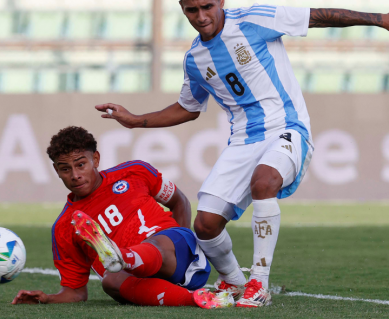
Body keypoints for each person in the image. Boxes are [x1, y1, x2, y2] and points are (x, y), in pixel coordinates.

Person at [95, 0, 389, 308]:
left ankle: (259, 282)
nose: (201, 16)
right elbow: (189, 108)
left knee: (264, 182)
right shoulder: (195, 59)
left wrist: (380, 19)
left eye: (208, 6)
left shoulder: (255, 19)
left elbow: (317, 17)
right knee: (205, 225)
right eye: (192, 10)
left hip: (288, 127)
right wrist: (136, 121)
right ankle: (235, 282)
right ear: (182, 9)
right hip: (243, 141)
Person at [12, 126, 233, 309]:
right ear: (56, 171)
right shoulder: (64, 226)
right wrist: (47, 298)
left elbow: (180, 201)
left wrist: (182, 241)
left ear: (95, 159)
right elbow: (76, 292)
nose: (75, 175)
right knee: (111, 281)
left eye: (80, 164)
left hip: (179, 252)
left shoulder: (134, 171)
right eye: (65, 169)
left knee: (153, 245)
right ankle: (196, 299)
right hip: (148, 282)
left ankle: (122, 256)